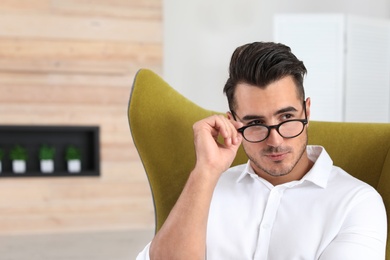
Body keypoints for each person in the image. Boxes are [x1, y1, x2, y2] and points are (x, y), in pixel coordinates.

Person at [137, 42, 387, 259]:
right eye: (256, 123)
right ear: (233, 122)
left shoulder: (356, 202)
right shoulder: (208, 187)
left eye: (287, 116)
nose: (275, 140)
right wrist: (206, 171)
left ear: (307, 111)